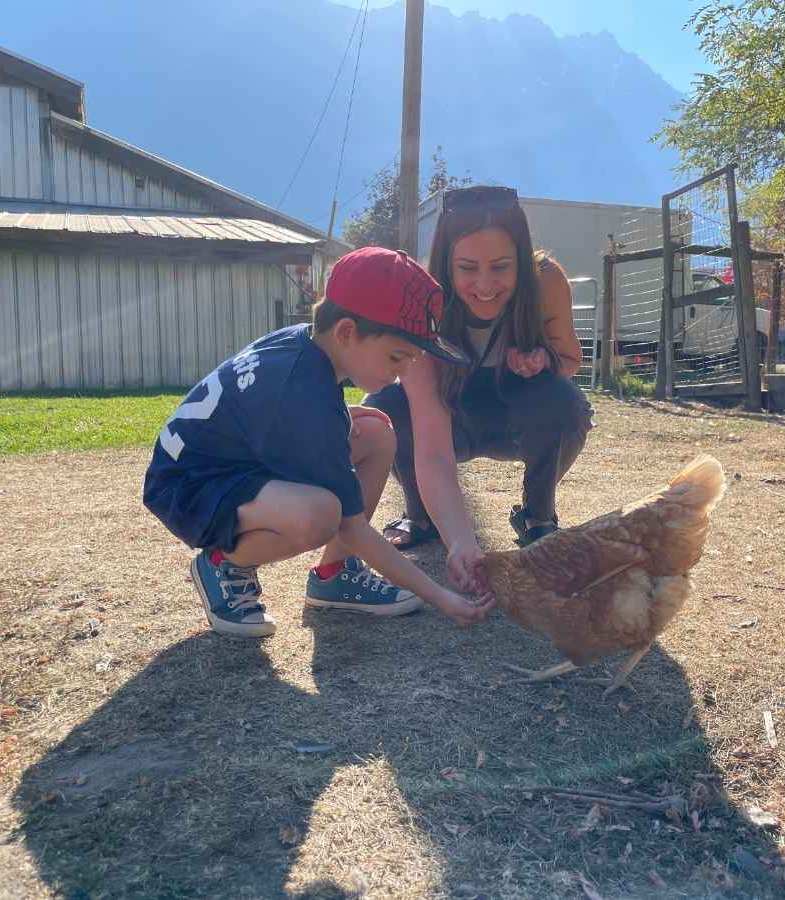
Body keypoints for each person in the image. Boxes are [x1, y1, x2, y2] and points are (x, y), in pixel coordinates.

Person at [142, 246, 493, 638]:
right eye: (397, 357)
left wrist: (340, 418)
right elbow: (352, 528)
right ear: (347, 331)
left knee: (374, 432)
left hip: (224, 462)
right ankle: (224, 564)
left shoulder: (307, 345)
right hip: (188, 487)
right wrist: (441, 597)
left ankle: (334, 574)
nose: (401, 374)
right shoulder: (301, 392)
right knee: (321, 515)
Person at [364, 184, 593, 594]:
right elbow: (433, 450)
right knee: (384, 408)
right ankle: (421, 516)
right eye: (468, 268)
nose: (485, 286)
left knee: (568, 403)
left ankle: (537, 516)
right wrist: (462, 543)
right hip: (447, 416)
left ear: (522, 261)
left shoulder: (546, 281)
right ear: (445, 264)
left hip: (514, 413)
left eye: (501, 267)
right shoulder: (420, 299)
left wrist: (543, 360)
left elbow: (570, 359)